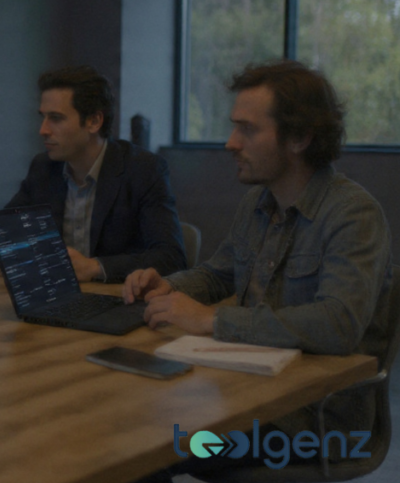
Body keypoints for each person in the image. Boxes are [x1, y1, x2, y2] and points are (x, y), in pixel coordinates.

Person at [124, 60, 393, 480]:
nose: (231, 142)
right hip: (250, 394)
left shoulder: (353, 215)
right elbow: (218, 274)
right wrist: (167, 286)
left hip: (315, 425)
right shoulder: (259, 203)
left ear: (300, 137)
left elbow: (339, 324)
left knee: (160, 440)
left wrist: (211, 319)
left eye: (247, 130)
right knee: (138, 422)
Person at [0, 65, 186, 282]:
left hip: (118, 305)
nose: (43, 130)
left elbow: (170, 257)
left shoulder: (143, 169)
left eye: (56, 118)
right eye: (43, 117)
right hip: (55, 300)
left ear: (94, 121)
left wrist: (94, 267)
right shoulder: (44, 167)